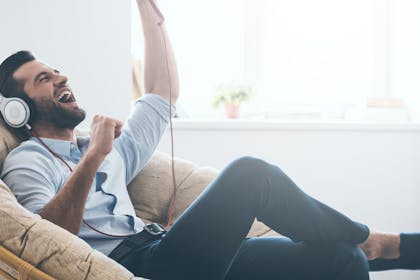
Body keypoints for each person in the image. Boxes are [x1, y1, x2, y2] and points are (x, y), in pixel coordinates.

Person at [0, 1, 373, 279]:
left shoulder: (103, 147)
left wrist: (145, 10)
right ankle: (371, 239)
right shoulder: (27, 159)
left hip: (164, 246)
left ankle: (358, 245)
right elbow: (49, 239)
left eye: (56, 71)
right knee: (249, 174)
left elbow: (161, 93)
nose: (60, 78)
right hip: (142, 266)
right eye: (43, 80)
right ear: (20, 110)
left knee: (343, 259)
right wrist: (94, 157)